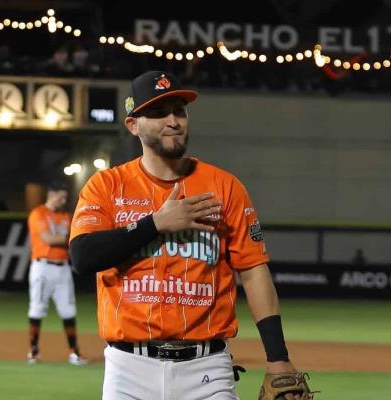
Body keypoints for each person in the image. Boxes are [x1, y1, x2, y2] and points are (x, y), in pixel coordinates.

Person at [69, 71, 310, 400]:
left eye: (179, 110)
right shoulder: (107, 186)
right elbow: (83, 257)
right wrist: (155, 224)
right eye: (157, 113)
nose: (173, 121)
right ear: (133, 125)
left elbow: (254, 271)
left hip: (207, 369)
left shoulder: (225, 187)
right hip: (129, 369)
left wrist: (278, 357)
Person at [26, 179, 88, 366]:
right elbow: (49, 238)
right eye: (61, 197)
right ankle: (33, 351)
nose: (63, 201)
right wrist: (70, 237)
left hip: (62, 268)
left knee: (69, 310)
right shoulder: (38, 213)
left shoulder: (66, 216)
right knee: (37, 308)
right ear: (51, 195)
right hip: (42, 267)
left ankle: (74, 353)